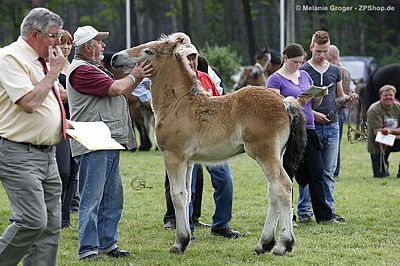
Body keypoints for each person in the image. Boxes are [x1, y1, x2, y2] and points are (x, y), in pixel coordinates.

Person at [67, 25, 152, 260]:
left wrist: (137, 78)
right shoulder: (83, 71)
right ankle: (88, 249)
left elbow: (122, 91)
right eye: (99, 42)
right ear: (87, 47)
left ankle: (107, 244)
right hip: (93, 140)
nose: (103, 46)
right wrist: (136, 74)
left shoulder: (93, 68)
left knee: (112, 198)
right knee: (92, 199)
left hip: (106, 140)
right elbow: (116, 89)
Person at [0, 7, 69, 265]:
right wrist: (53, 72)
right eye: (53, 36)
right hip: (18, 153)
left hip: (47, 154)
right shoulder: (10, 58)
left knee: (50, 226)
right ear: (33, 34)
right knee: (32, 220)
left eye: (60, 36)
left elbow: (53, 98)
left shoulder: (42, 61)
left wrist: (61, 122)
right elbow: (29, 102)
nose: (58, 43)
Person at [266, 43, 334, 224]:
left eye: (301, 62)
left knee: (317, 172)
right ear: (285, 58)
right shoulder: (274, 80)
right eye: (295, 62)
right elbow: (276, 111)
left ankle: (324, 215)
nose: (298, 65)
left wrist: (318, 96)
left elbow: (314, 106)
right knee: (287, 173)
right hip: (288, 131)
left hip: (308, 128)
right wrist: (300, 102)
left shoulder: (304, 75)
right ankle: (288, 215)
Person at [179, 43, 240, 239]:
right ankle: (187, 227)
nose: (192, 61)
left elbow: (219, 101)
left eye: (194, 57)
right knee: (189, 187)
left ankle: (221, 224)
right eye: (187, 57)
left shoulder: (205, 77)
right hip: (188, 140)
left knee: (225, 181)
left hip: (212, 139)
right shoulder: (177, 83)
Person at [298, 30, 357, 224]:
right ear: (311, 48)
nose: (321, 55)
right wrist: (314, 114)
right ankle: (305, 211)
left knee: (328, 172)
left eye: (324, 51)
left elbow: (338, 96)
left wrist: (348, 98)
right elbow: (300, 101)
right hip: (310, 126)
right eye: (318, 51)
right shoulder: (303, 70)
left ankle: (328, 210)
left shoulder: (335, 70)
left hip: (332, 126)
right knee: (308, 171)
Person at [55, 29, 80, 229]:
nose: (65, 47)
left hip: (76, 122)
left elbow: (68, 95)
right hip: (57, 123)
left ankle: (64, 219)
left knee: (73, 172)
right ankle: (54, 215)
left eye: (69, 43)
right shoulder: (50, 67)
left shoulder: (72, 67)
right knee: (62, 171)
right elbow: (61, 95)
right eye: (62, 43)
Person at [327, 44, 352, 178]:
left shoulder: (341, 71)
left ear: (332, 56)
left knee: (334, 143)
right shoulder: (341, 70)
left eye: (326, 54)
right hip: (338, 110)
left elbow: (341, 96)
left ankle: (334, 171)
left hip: (337, 111)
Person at [367, 85, 400, 178]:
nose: (388, 97)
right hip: (378, 143)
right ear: (380, 96)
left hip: (393, 138)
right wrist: (394, 132)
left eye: (391, 95)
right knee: (380, 176)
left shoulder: (398, 108)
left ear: (394, 96)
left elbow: (385, 131)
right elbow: (377, 132)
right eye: (385, 95)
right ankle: (384, 164)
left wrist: (390, 131)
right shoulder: (373, 109)